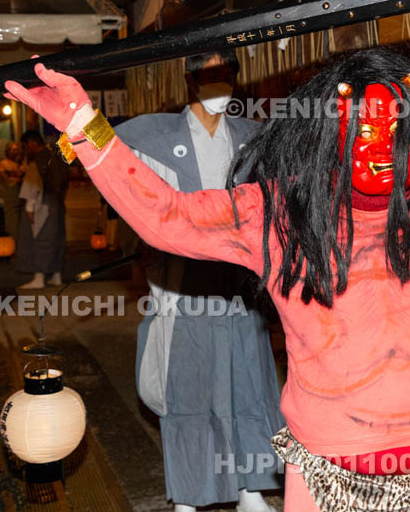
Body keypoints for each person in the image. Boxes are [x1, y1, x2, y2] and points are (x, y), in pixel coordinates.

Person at [5, 0, 410, 510]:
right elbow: (166, 216)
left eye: (392, 128)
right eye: (359, 128)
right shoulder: (279, 217)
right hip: (321, 479)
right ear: (324, 137)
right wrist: (83, 127)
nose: (377, 146)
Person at [113, 50, 283, 512]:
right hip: (183, 283)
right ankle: (188, 497)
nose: (219, 84)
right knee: (188, 392)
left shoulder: (252, 135)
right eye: (209, 76)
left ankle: (251, 490)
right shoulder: (155, 132)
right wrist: (69, 125)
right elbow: (99, 146)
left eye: (227, 75)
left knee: (248, 387)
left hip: (239, 283)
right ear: (190, 81)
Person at [17, 130, 69, 289]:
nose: (26, 149)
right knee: (57, 240)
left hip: (42, 204)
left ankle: (39, 277)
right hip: (58, 203)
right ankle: (56, 276)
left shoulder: (37, 161)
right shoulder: (58, 158)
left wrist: (29, 207)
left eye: (26, 146)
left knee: (40, 240)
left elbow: (32, 186)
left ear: (32, 144)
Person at [0, 142, 25, 239]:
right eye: (13, 149)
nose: (15, 152)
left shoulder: (21, 163)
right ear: (7, 151)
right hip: (10, 196)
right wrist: (18, 179)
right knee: (11, 220)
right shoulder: (3, 164)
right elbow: (8, 180)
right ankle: (13, 240)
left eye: (17, 149)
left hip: (21, 195)